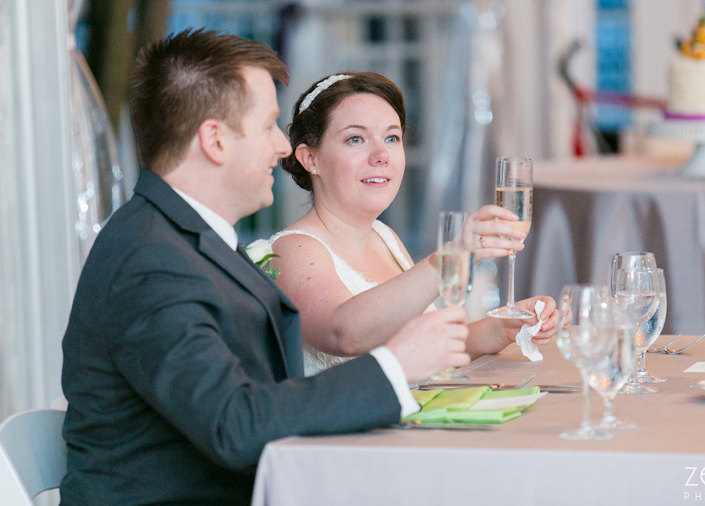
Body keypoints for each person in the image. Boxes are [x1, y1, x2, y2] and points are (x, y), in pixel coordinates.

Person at [59, 30, 477, 506]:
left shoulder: (185, 240)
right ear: (215, 141)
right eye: (269, 126)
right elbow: (235, 424)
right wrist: (394, 367)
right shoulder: (151, 262)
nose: (282, 146)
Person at [272, 71, 556, 376]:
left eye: (391, 138)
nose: (382, 155)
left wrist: (499, 330)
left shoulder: (384, 237)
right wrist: (450, 258)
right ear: (310, 159)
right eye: (356, 139)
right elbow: (345, 334)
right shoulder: (291, 250)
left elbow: (424, 349)